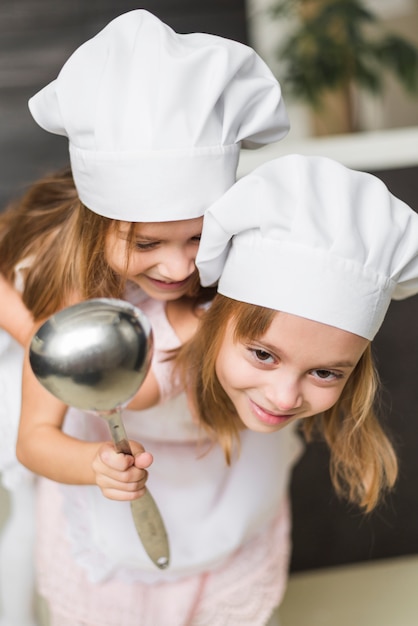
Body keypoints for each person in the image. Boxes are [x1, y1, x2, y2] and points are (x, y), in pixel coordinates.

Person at [0, 9, 290, 626]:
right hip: (85, 375)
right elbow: (35, 438)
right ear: (99, 225)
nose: (179, 265)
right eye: (147, 245)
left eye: (197, 237)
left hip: (203, 445)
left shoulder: (246, 261)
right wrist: (42, 344)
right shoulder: (70, 279)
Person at [177, 153, 418, 516]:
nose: (285, 399)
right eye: (263, 355)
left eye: (324, 373)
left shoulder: (269, 401)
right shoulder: (150, 357)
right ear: (215, 322)